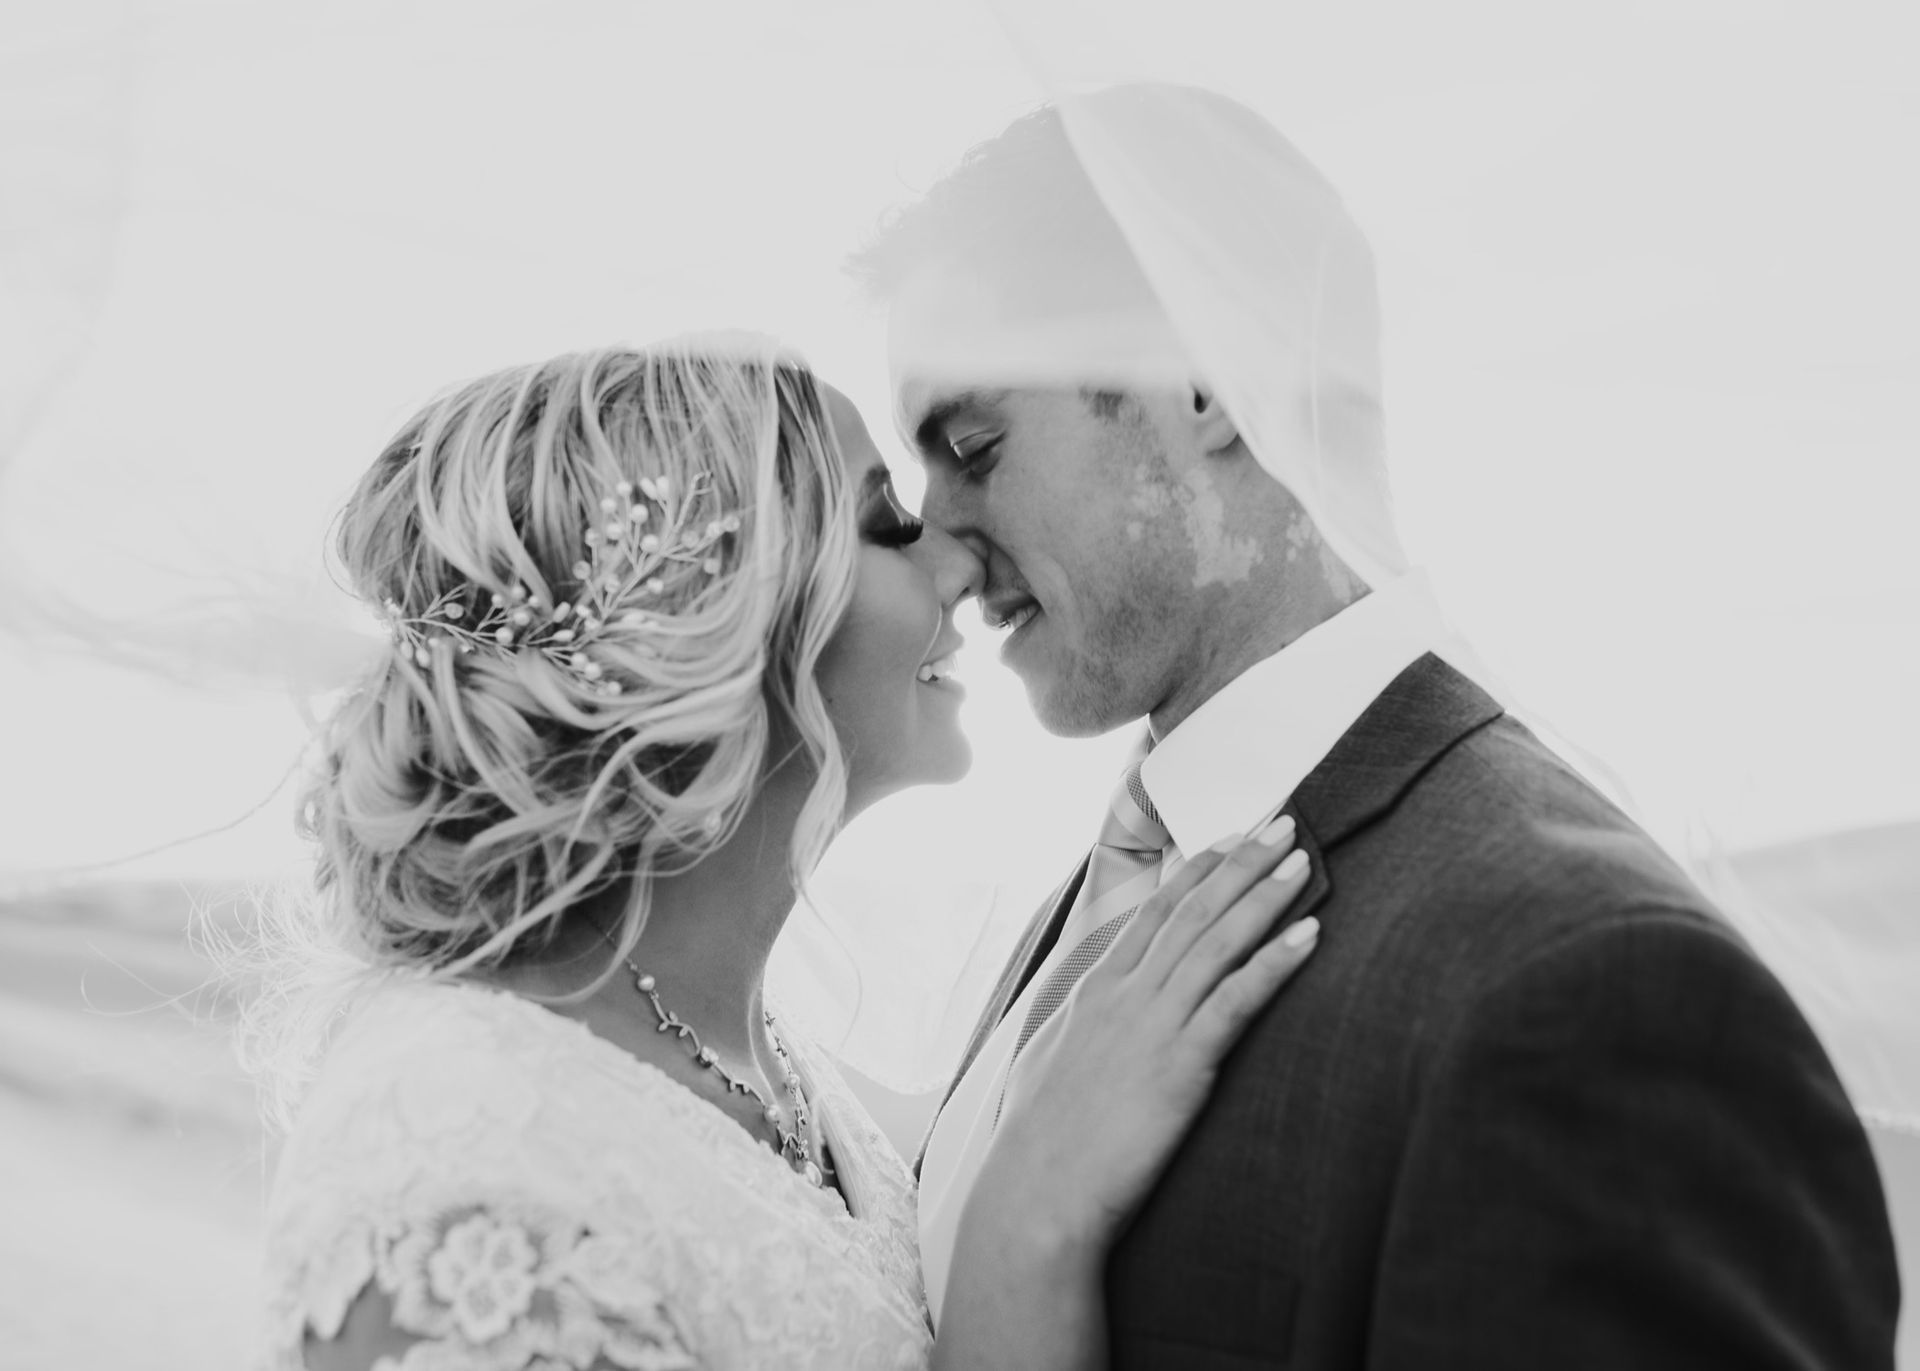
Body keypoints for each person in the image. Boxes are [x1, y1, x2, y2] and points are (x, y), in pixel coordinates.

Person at [855, 89, 1903, 1367]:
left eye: (973, 443)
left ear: (1204, 377)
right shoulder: (1106, 903)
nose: (941, 547)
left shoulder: (1580, 989)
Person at [254, 339, 1326, 1370]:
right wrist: (1024, 1234)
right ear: (713, 618)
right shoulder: (456, 1162)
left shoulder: (763, 1060)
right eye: (888, 524)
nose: (960, 558)